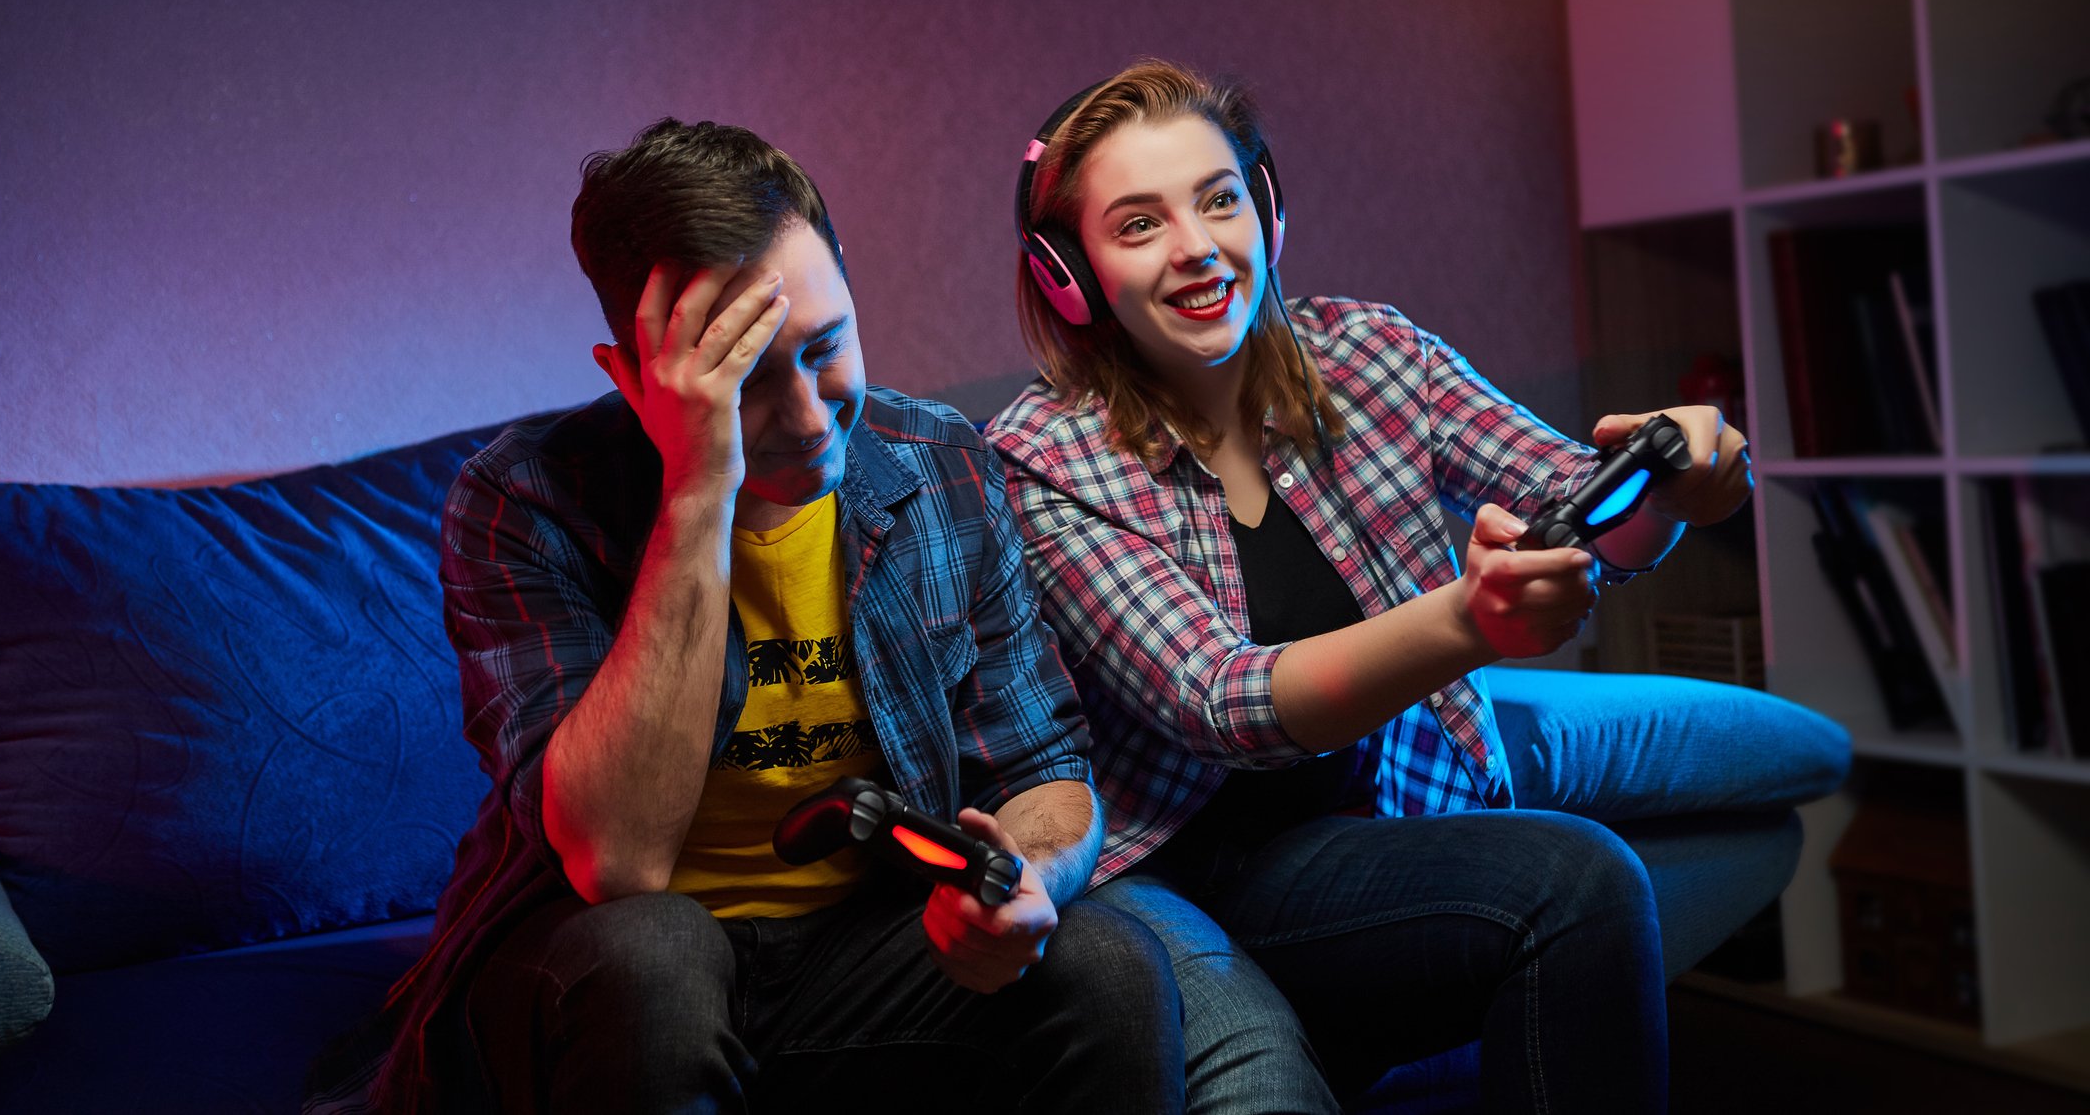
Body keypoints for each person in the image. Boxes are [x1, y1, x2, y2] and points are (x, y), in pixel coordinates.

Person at [314, 118, 1184, 1114]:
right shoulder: (524, 499)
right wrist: (698, 490)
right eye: (750, 381)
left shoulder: (939, 459)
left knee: (1109, 962)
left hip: (852, 951)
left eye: (827, 347)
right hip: (592, 965)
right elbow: (619, 859)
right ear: (633, 377)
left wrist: (1021, 881)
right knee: (658, 955)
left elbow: (1043, 770)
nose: (813, 418)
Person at [985, 60, 1755, 1114]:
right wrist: (1465, 622)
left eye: (1219, 200)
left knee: (1585, 880)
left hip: (1351, 840)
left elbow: (1578, 498)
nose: (1198, 246)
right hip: (1172, 872)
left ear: (1266, 208)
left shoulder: (1372, 355)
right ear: (1071, 277)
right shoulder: (1040, 457)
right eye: (1138, 225)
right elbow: (1219, 702)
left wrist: (1683, 483)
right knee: (1563, 893)